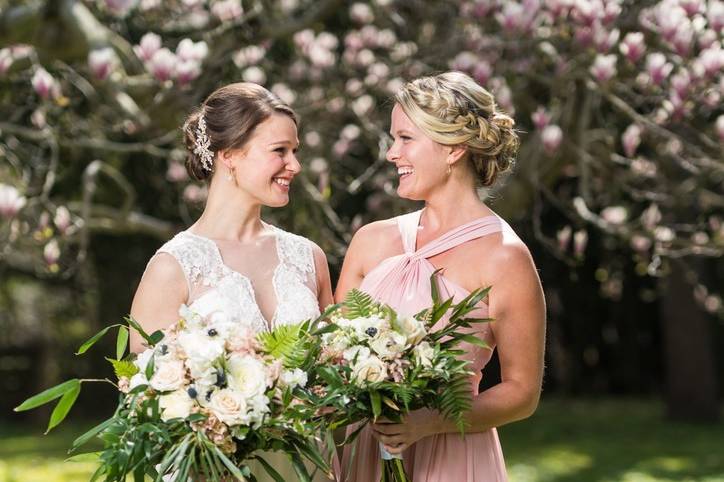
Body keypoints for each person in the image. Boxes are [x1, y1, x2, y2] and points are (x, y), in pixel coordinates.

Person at [336, 71, 546, 481]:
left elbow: (523, 392)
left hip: (450, 455)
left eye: (405, 139)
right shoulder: (370, 241)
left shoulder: (505, 258)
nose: (392, 153)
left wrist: (430, 421)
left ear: (452, 149)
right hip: (361, 453)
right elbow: (331, 357)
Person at [129, 82, 335, 481]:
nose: (294, 165)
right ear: (229, 156)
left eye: (295, 152)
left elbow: (334, 371)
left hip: (307, 465)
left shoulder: (309, 258)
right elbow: (145, 401)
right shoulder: (173, 266)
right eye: (280, 151)